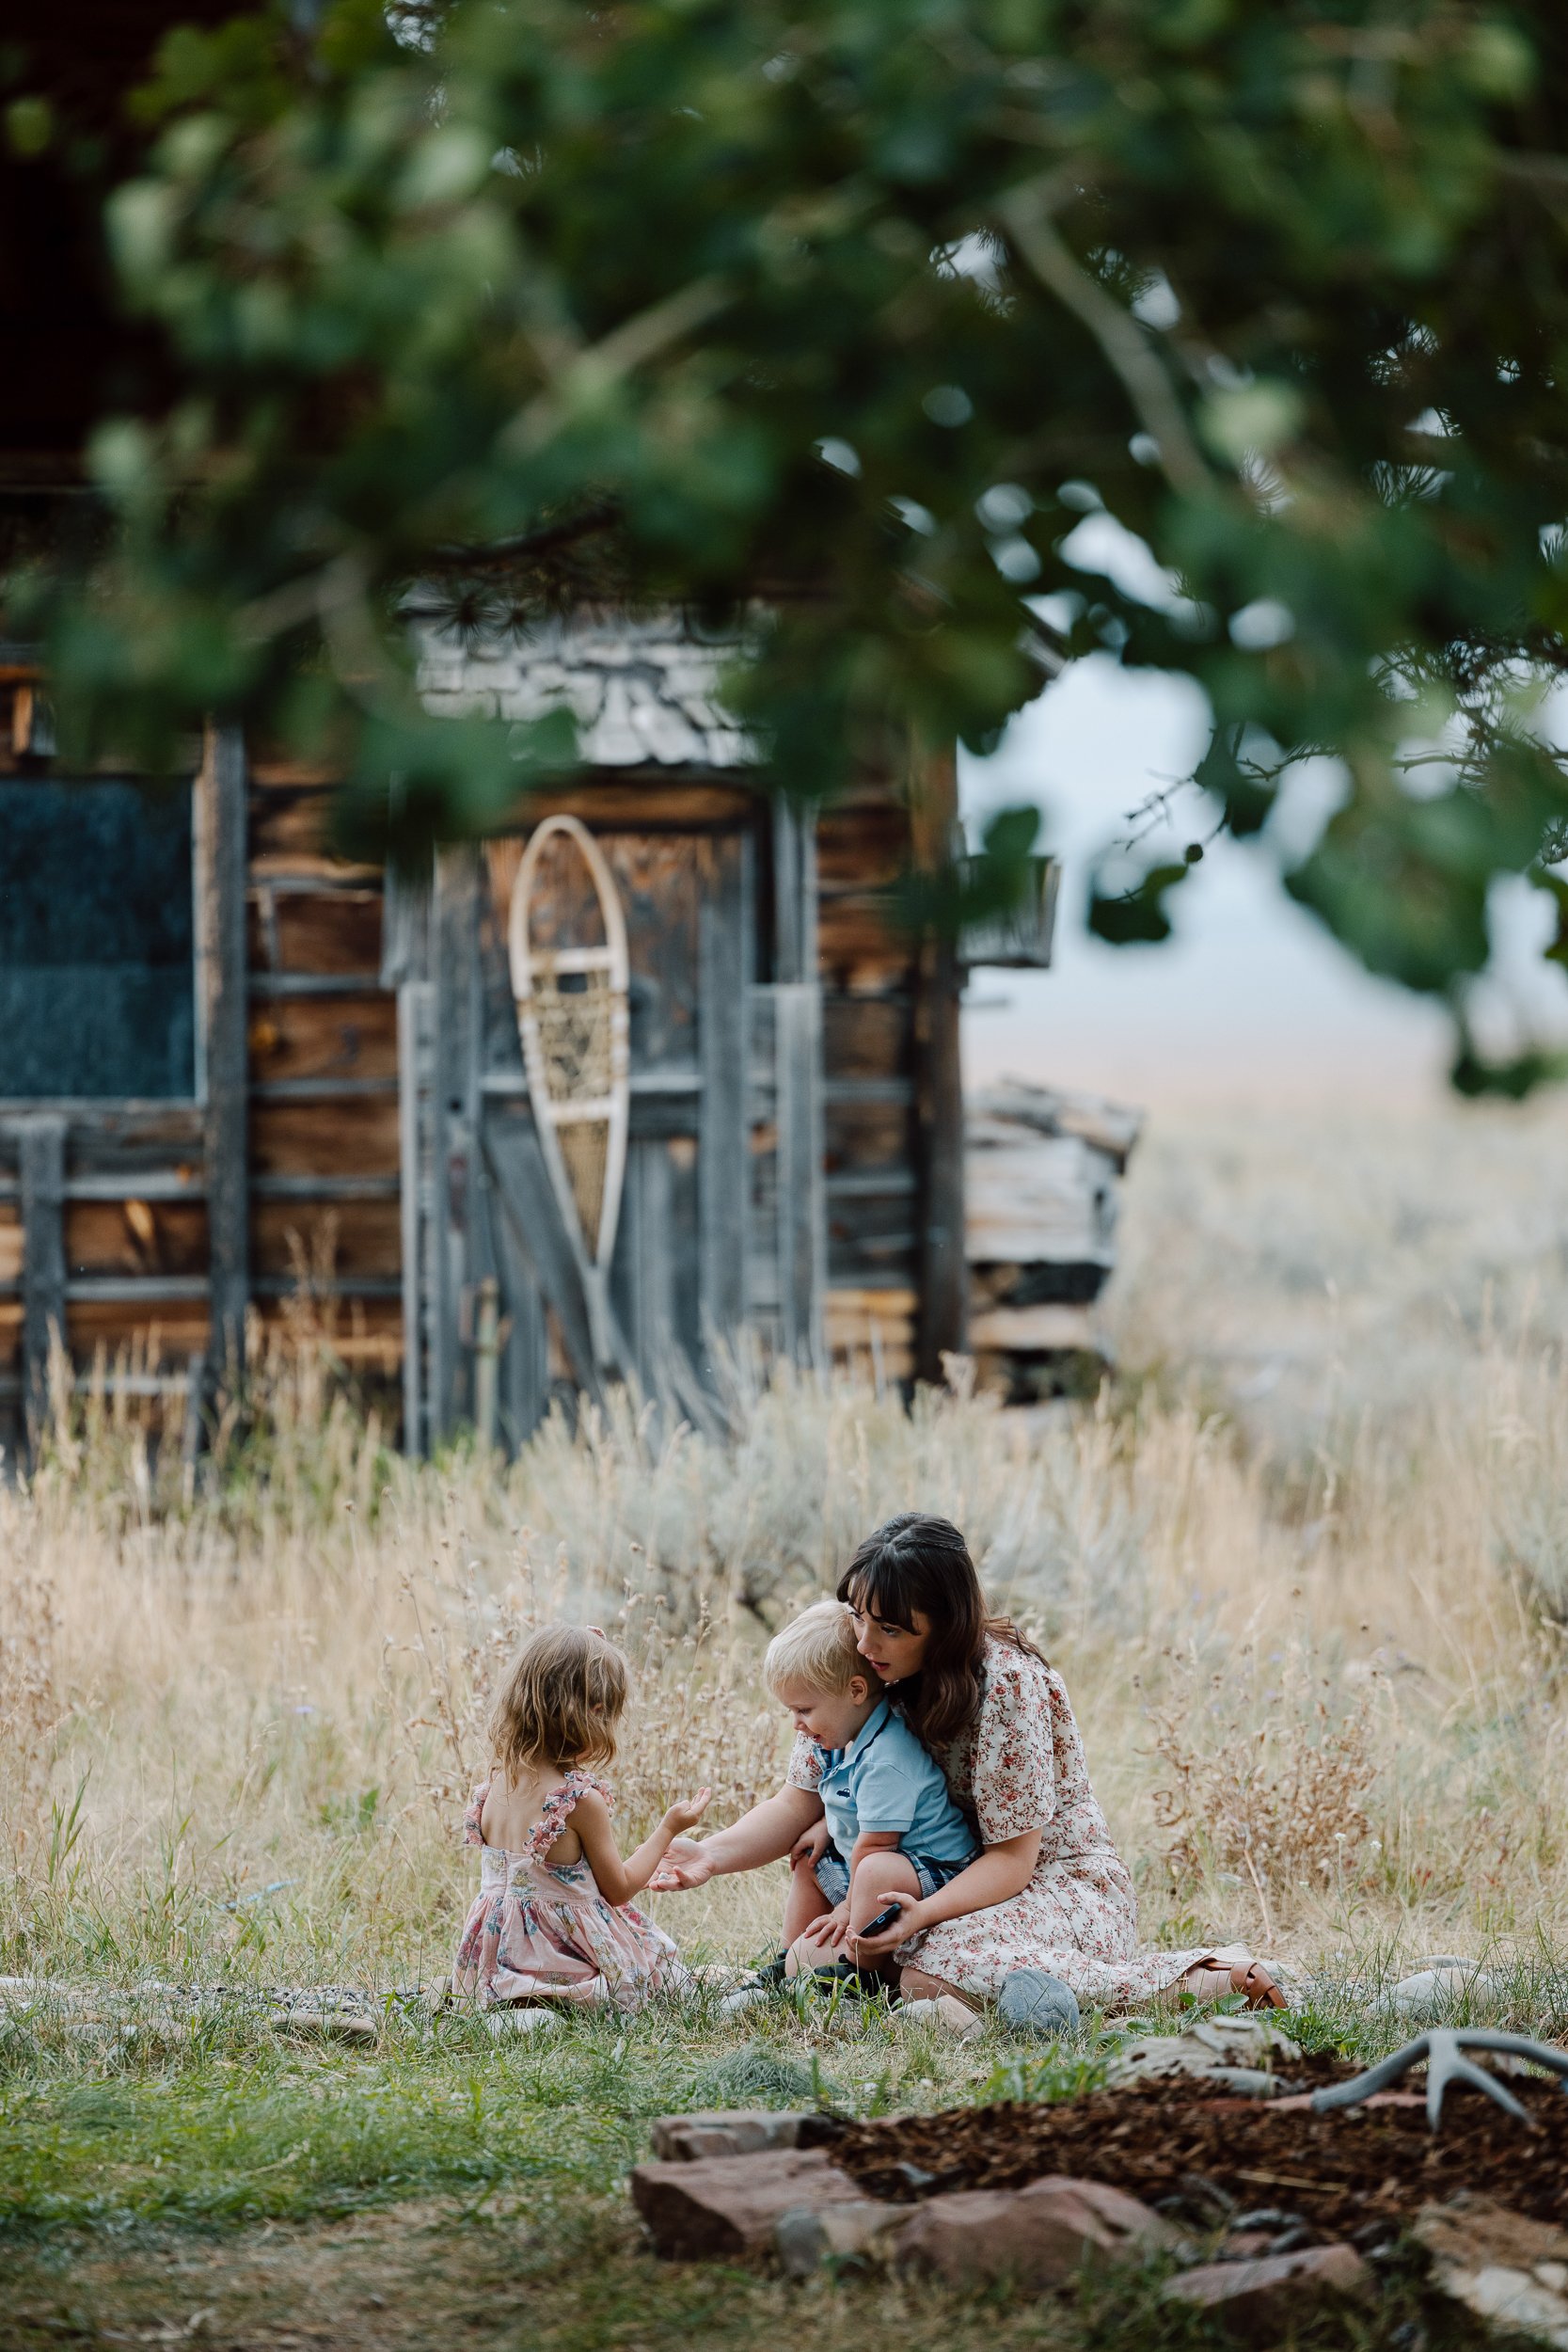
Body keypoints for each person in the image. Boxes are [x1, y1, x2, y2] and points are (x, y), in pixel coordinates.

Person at [651, 1514, 1286, 2027]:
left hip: (1049, 1886)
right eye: (859, 1615)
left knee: (931, 1969)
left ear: (944, 1628)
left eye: (891, 1628)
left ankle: (1197, 1981)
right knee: (857, 1953)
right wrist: (710, 1854)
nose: (866, 1642)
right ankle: (863, 1982)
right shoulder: (860, 1665)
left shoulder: (1007, 1684)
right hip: (929, 1879)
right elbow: (801, 1803)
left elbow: (1013, 1860)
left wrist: (921, 1917)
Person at [452, 1623, 711, 2016]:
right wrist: (668, 1829)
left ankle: (516, 2007)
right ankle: (550, 2007)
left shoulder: (494, 1787)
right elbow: (619, 1888)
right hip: (562, 1955)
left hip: (497, 1957)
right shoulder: (578, 1800)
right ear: (593, 1714)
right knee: (662, 1970)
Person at [760, 1598, 978, 1982]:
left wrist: (845, 1909)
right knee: (812, 1859)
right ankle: (785, 1959)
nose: (796, 1723)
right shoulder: (841, 1738)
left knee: (875, 1868)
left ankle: (860, 1971)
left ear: (856, 1691)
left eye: (804, 1710)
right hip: (889, 1863)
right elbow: (855, 1802)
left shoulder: (885, 1758)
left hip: (937, 1869)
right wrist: (826, 1825)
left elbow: (878, 1843)